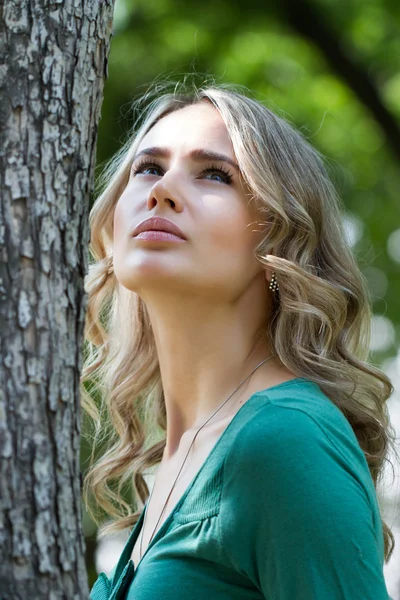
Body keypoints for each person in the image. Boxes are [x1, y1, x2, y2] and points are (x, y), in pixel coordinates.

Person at [82, 80, 396, 599]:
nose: (162, 190)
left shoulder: (285, 438)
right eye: (149, 168)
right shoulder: (185, 455)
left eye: (214, 175)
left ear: (280, 240)